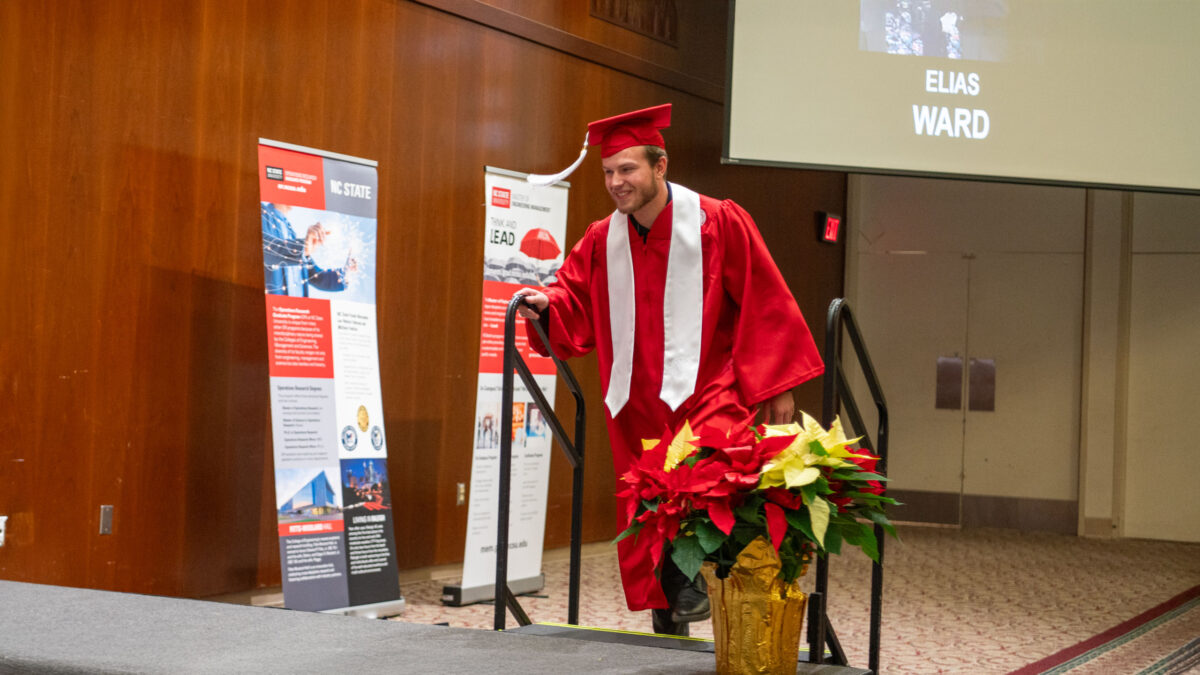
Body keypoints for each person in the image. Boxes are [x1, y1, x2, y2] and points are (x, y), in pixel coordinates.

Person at [517, 104, 824, 635]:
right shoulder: (600, 239)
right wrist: (547, 306)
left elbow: (765, 298)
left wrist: (779, 385)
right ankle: (669, 616)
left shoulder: (716, 221)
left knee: (705, 472)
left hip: (710, 389)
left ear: (660, 166)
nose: (616, 182)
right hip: (633, 401)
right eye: (609, 172)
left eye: (628, 169)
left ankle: (697, 589)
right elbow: (574, 302)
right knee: (646, 508)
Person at [261, 202, 356, 296]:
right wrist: (302, 248)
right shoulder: (261, 211)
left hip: (297, 309)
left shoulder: (291, 232)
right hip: (275, 308)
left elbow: (316, 276)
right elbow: (265, 250)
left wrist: (346, 273)